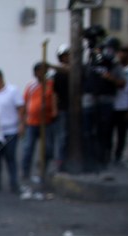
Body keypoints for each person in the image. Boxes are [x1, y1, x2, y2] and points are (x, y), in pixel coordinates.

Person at [82, 37, 126, 171]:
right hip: (91, 100)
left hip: (106, 102)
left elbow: (122, 83)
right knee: (88, 132)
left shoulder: (115, 65)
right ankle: (90, 161)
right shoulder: (93, 62)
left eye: (111, 49)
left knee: (104, 133)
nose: (108, 51)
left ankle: (103, 160)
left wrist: (109, 77)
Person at [0, 70, 24, 194]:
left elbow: (20, 108)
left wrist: (21, 124)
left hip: (10, 131)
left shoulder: (13, 91)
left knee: (10, 158)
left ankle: (14, 183)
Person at [20, 62, 57, 182]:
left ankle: (43, 171)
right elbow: (24, 104)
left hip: (46, 123)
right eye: (39, 71)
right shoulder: (31, 86)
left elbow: (54, 99)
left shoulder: (51, 84)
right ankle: (25, 173)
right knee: (28, 149)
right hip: (32, 123)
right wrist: (22, 121)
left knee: (48, 149)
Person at [51, 44, 71, 172]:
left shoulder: (76, 69)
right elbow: (54, 93)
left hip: (75, 108)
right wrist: (54, 109)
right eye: (65, 55)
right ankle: (60, 162)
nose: (68, 57)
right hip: (63, 108)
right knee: (62, 137)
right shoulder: (58, 74)